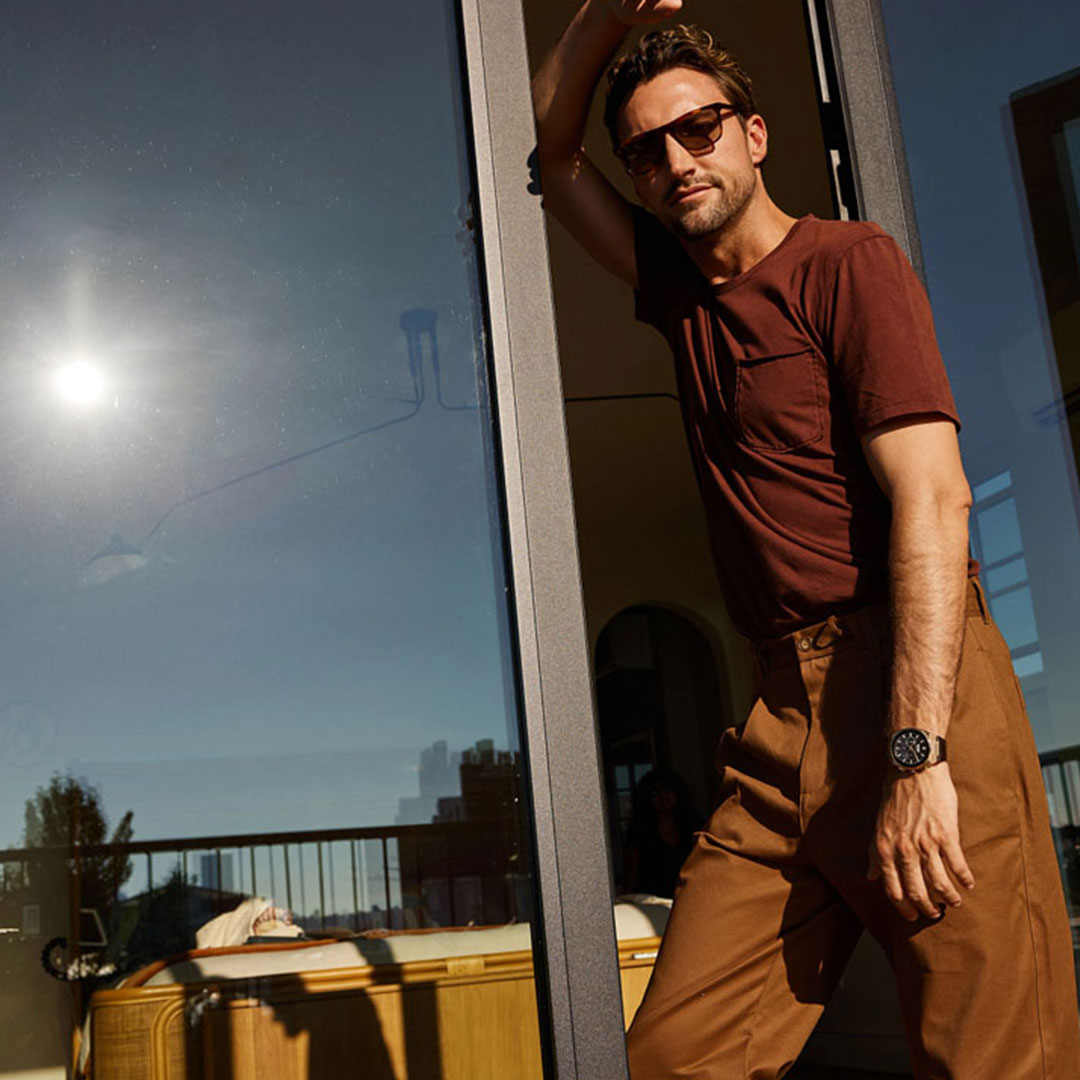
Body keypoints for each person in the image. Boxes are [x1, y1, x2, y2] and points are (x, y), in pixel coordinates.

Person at [531, 3, 1080, 1078]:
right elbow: (551, 152)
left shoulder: (848, 263)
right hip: (783, 718)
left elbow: (934, 502)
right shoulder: (681, 295)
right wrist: (601, 15)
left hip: (921, 687)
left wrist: (917, 759)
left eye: (698, 129)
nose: (675, 161)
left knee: (990, 1059)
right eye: (646, 151)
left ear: (754, 133)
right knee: (669, 1057)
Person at [623, 768, 702, 898]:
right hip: (651, 905)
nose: (662, 797)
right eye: (655, 793)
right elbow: (631, 881)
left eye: (667, 790)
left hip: (691, 899)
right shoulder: (639, 835)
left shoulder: (695, 828)